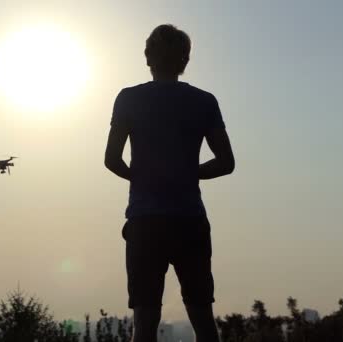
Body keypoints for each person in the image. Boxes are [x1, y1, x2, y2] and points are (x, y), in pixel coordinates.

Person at [104, 24, 235, 342]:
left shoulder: (128, 99)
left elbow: (112, 160)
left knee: (145, 323)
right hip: (189, 219)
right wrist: (189, 173)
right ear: (185, 60)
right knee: (203, 319)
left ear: (148, 57)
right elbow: (225, 163)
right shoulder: (204, 101)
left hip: (145, 221)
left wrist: (143, 177)